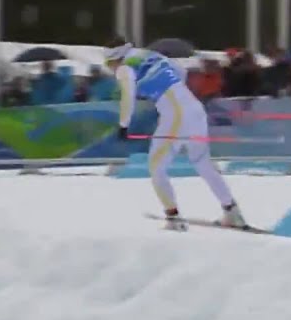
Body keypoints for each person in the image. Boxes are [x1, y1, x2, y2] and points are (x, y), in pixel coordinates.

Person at [104, 37, 246, 231]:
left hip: (175, 116)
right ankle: (232, 212)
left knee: (156, 167)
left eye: (108, 64)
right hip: (195, 110)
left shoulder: (124, 68)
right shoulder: (149, 54)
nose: (110, 69)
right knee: (202, 164)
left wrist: (123, 125)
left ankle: (173, 218)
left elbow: (127, 97)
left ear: (114, 58)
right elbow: (181, 71)